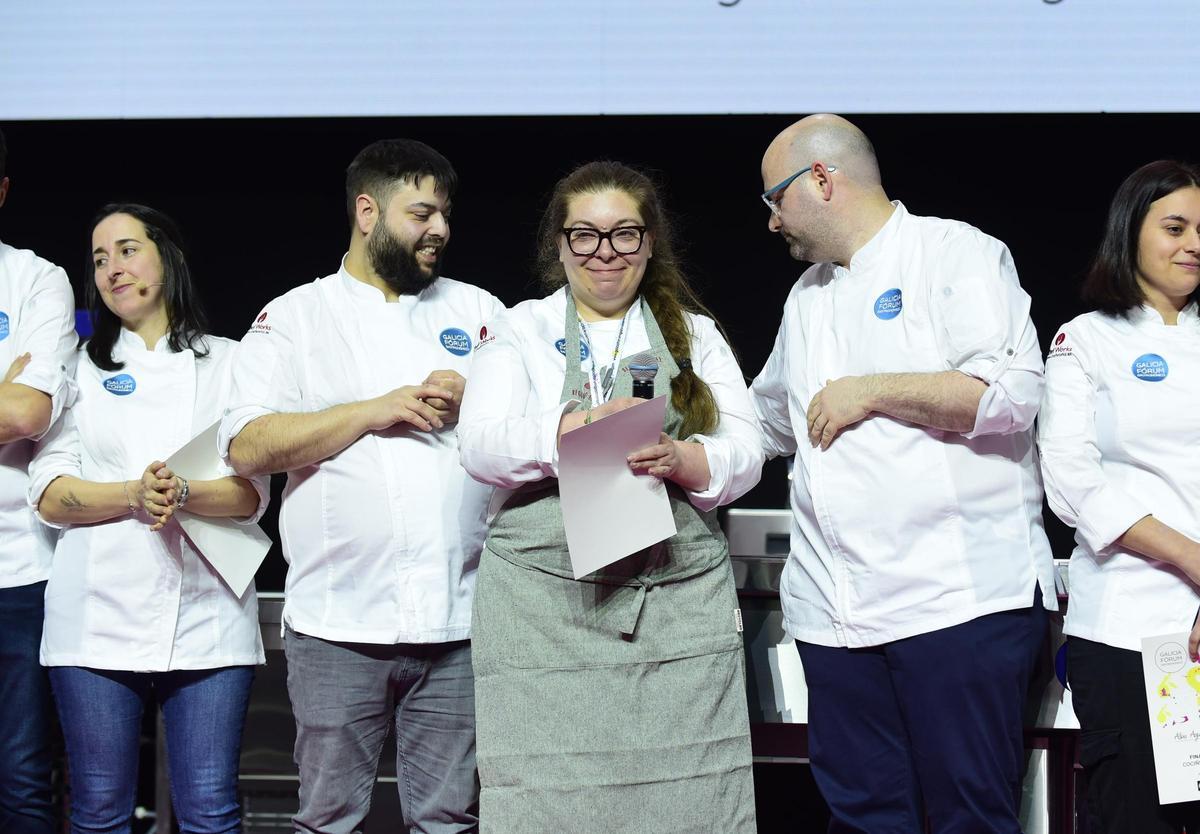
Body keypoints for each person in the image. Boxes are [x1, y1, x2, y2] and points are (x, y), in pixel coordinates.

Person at [749, 114, 1055, 833]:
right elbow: (765, 422)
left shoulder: (956, 254)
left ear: (822, 180)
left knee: (967, 819)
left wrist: (871, 388)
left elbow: (1007, 393)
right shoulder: (807, 298)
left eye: (774, 200)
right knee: (863, 820)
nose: (770, 223)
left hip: (955, 604)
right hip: (835, 616)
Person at [457, 160, 762, 832]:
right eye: (585, 236)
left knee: (687, 791)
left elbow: (748, 453)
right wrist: (568, 432)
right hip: (545, 608)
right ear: (559, 245)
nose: (605, 253)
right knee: (547, 793)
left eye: (624, 234)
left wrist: (685, 458)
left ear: (649, 242)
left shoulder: (695, 334)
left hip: (673, 598)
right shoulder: (522, 330)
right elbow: (478, 445)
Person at [220, 138, 502, 834]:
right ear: (367, 211)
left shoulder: (480, 310)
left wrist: (481, 397)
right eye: (422, 213)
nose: (440, 229)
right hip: (337, 626)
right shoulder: (294, 317)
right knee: (329, 820)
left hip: (461, 621)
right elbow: (245, 444)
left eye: (445, 213)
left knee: (449, 820)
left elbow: (536, 433)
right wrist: (373, 410)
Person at [28, 203, 268, 834]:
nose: (112, 269)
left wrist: (184, 491)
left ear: (168, 257)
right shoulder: (77, 367)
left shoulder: (231, 361)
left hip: (210, 613)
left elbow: (251, 494)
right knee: (99, 811)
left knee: (211, 812)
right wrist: (133, 496)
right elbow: (51, 493)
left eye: (128, 250)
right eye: (100, 258)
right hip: (97, 613)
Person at [1039, 160, 1200, 834]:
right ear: (1130, 231)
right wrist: (1196, 563)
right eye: (1175, 226)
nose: (1194, 242)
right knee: (1139, 819)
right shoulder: (1087, 341)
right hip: (1133, 630)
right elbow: (1072, 482)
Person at [0, 126, 80, 834]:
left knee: (23, 779)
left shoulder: (34, 278)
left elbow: (26, 410)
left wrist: (11, 401)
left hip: (19, 572)